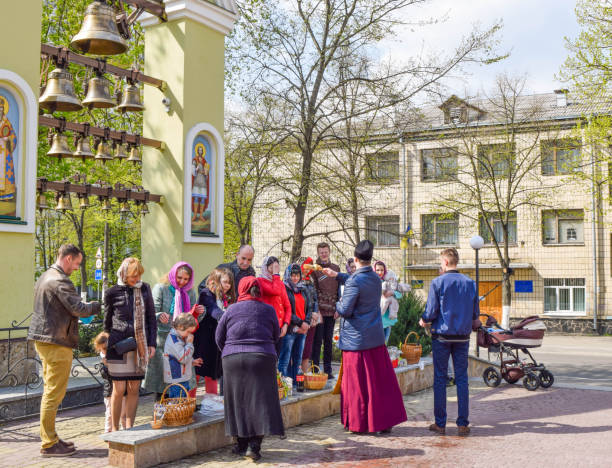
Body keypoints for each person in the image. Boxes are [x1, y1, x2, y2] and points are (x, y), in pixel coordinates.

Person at [324, 240, 407, 434]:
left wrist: (335, 303)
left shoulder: (355, 281)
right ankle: (382, 422)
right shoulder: (375, 278)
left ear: (355, 258)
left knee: (357, 386)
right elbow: (357, 280)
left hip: (356, 341)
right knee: (377, 383)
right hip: (375, 337)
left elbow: (345, 309)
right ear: (370, 259)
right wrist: (337, 276)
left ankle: (360, 423)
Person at [29, 244, 100, 457]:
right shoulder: (60, 280)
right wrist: (99, 304)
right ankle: (49, 443)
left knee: (51, 390)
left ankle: (50, 437)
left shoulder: (46, 276)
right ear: (68, 258)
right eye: (77, 263)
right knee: (53, 392)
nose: (77, 268)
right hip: (56, 340)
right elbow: (79, 309)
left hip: (46, 338)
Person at [216, 276, 285, 461]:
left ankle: (240, 444)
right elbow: (276, 335)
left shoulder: (230, 309)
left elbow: (218, 336)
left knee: (237, 401)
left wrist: (231, 351)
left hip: (232, 359)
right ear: (259, 290)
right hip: (262, 357)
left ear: (241, 289)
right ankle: (254, 447)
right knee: (261, 402)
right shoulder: (269, 310)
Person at [419, 248, 479, 437]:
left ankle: (440, 423)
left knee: (440, 378)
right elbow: (475, 314)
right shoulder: (470, 283)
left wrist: (423, 320)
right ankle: (462, 424)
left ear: (445, 262)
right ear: (456, 262)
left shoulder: (437, 282)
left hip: (442, 337)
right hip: (462, 336)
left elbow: (430, 312)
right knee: (462, 378)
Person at [104, 258, 157, 432]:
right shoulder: (112, 292)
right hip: (117, 345)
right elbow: (106, 322)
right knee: (118, 389)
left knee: (134, 388)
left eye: (139, 274)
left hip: (138, 345)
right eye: (133, 275)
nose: (136, 278)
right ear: (124, 273)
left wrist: (151, 343)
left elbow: (151, 318)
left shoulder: (145, 289)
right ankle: (115, 429)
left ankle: (129, 429)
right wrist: (103, 347)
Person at [144, 262, 203, 400]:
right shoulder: (161, 288)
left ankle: (179, 411)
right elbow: (150, 313)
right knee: (163, 382)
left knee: (181, 379)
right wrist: (159, 316)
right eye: (179, 278)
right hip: (163, 341)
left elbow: (192, 320)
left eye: (186, 279)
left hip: (182, 340)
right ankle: (162, 413)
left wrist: (199, 313)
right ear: (172, 275)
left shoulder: (190, 291)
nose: (182, 282)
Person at [194, 268, 236, 394]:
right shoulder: (206, 293)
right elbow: (214, 310)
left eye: (229, 283)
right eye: (225, 282)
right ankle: (188, 403)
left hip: (215, 340)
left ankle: (210, 402)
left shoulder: (225, 297)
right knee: (196, 371)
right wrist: (229, 319)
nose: (227, 285)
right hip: (202, 339)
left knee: (212, 373)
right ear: (216, 281)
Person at [311, 242, 340, 379]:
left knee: (328, 341)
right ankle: (315, 370)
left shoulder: (335, 268)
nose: (323, 254)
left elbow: (338, 289)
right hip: (320, 312)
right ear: (318, 253)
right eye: (321, 252)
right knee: (317, 341)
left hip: (332, 310)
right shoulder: (315, 270)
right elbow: (314, 291)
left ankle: (328, 371)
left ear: (329, 252)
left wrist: (338, 308)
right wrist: (317, 311)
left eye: (325, 251)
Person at [278, 264, 312, 383]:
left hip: (302, 330)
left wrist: (306, 323)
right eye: (293, 275)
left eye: (297, 275)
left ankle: (295, 384)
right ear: (288, 275)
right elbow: (286, 311)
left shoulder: (303, 288)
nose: (295, 278)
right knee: (285, 360)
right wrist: (300, 323)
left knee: (297, 360)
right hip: (290, 330)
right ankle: (282, 385)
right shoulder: (284, 289)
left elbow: (309, 307)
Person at [93, 332, 126, 433]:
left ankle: (126, 430)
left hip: (121, 391)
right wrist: (107, 365)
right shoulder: (103, 361)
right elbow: (106, 375)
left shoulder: (118, 355)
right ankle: (108, 431)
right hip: (110, 392)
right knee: (110, 413)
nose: (105, 351)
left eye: (106, 348)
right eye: (102, 349)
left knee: (123, 412)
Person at [163, 314, 203, 398]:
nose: (189, 335)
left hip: (181, 378)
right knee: (178, 404)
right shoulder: (174, 340)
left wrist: (192, 361)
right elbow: (183, 358)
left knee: (181, 403)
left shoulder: (179, 338)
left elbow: (179, 356)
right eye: (188, 332)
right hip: (177, 378)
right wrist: (189, 344)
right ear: (180, 327)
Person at [258, 256, 292, 340]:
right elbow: (275, 291)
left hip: (280, 327)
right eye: (271, 268)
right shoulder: (260, 281)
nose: (274, 271)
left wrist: (285, 324)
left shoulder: (279, 283)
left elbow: (287, 306)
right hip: (266, 327)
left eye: (276, 268)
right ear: (266, 267)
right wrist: (276, 275)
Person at [300, 257, 320, 372]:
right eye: (307, 266)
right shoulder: (296, 280)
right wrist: (308, 315)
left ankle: (304, 373)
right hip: (302, 318)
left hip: (312, 317)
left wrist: (315, 313)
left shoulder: (311, 280)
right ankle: (296, 374)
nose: (308, 270)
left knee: (308, 347)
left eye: (310, 266)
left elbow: (315, 299)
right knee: (299, 347)